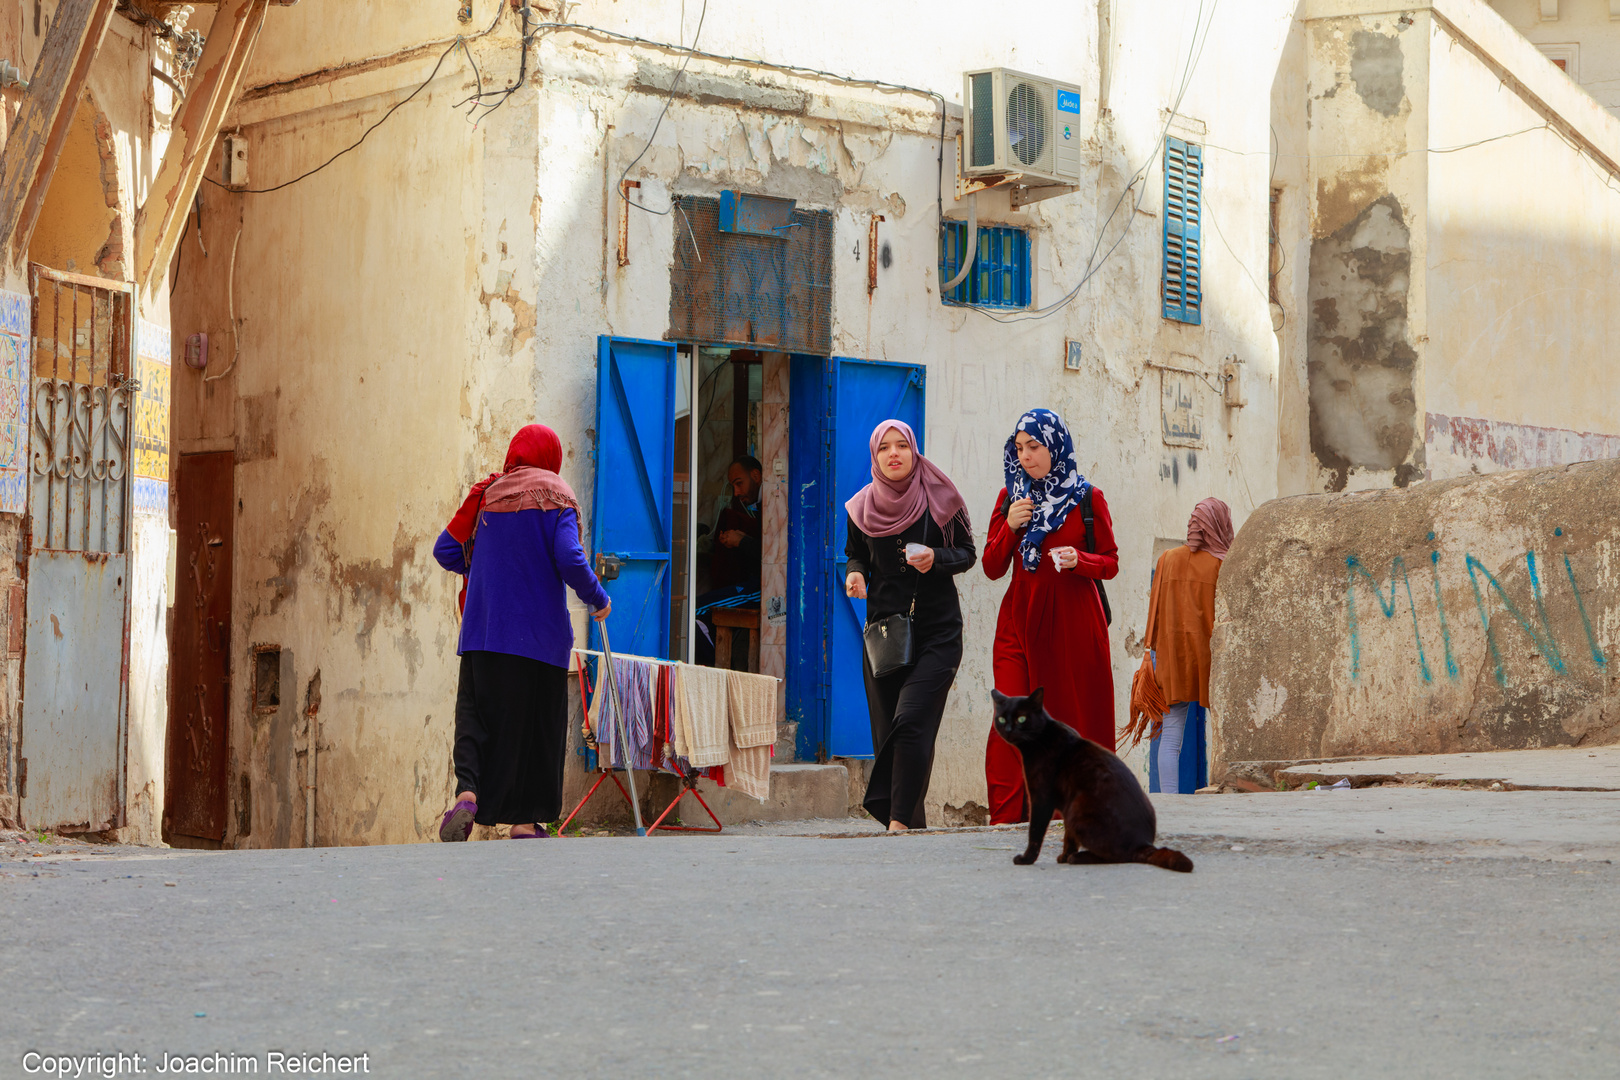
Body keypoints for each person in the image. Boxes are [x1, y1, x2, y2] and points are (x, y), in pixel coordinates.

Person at [432, 424, 611, 841]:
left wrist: (486, 572)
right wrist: (597, 598)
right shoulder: (557, 495)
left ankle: (468, 791)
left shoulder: (487, 496)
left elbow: (446, 550)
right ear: (551, 457)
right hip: (539, 638)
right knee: (536, 729)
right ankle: (526, 823)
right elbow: (568, 556)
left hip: (482, 633)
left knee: (475, 716)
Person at [983, 408, 1119, 825]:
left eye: (1035, 447)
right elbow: (991, 566)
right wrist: (1009, 526)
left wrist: (1080, 560)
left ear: (1055, 446)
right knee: (1007, 721)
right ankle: (1006, 820)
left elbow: (1110, 562)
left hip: (1072, 623)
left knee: (1067, 720)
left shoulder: (1086, 498)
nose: (1026, 456)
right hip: (1018, 622)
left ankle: (1074, 815)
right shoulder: (1011, 497)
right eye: (1020, 448)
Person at [844, 420, 974, 831]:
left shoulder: (941, 498)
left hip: (937, 631)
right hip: (886, 636)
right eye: (885, 448)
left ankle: (897, 822)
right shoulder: (860, 508)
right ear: (875, 456)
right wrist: (856, 574)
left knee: (912, 718)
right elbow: (855, 555)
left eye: (902, 446)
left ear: (914, 451)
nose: (894, 454)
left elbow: (969, 553)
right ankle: (909, 828)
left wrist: (937, 557)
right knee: (890, 734)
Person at [1139, 498, 1233, 794]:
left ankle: (1169, 803)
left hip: (1172, 658)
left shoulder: (1167, 559)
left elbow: (1154, 613)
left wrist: (1150, 651)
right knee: (1222, 728)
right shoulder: (1222, 563)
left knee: (1171, 734)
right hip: (1210, 660)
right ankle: (1223, 790)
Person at [696, 456, 763, 665]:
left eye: (739, 483)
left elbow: (771, 554)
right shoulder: (761, 504)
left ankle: (715, 671)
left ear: (756, 476)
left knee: (695, 611)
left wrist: (741, 542)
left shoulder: (773, 501)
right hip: (754, 584)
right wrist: (741, 539)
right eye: (733, 486)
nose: (736, 492)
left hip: (762, 589)